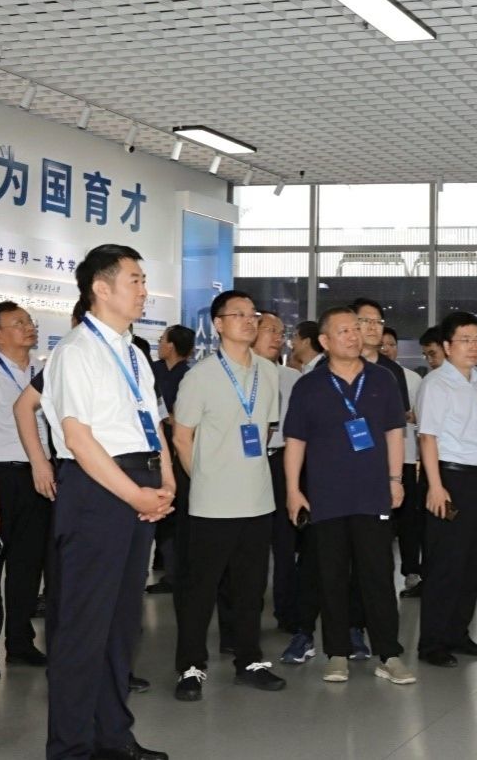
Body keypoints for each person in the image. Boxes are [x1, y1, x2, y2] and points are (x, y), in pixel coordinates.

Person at [42, 244, 175, 760]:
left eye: (144, 280)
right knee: (84, 628)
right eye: (135, 280)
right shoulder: (76, 351)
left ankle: (113, 737)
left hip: (139, 483)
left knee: (121, 625)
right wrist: (135, 492)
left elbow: (152, 423)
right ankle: (71, 748)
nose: (144, 290)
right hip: (98, 489)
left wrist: (165, 482)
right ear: (101, 287)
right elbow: (79, 439)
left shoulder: (134, 353)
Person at [284, 306, 414, 685]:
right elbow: (295, 441)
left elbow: (395, 433)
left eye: (357, 328)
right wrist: (293, 491)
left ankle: (389, 654)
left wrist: (395, 479)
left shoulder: (382, 379)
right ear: (325, 341)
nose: (354, 335)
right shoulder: (308, 385)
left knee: (378, 576)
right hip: (326, 496)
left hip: (373, 494)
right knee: (332, 576)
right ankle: (337, 653)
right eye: (344, 330)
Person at [172, 290, 284, 701]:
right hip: (212, 504)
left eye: (253, 314)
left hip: (257, 499)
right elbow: (181, 437)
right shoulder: (199, 376)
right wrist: (204, 478)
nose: (249, 320)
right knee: (200, 590)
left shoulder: (268, 372)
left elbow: (264, 429)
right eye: (238, 314)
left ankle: (249, 660)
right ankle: (190, 666)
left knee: (251, 589)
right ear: (218, 324)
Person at [416, 311, 477, 668]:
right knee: (444, 563)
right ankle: (432, 642)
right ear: (447, 346)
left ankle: (458, 633)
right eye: (464, 340)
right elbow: (427, 437)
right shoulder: (436, 384)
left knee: (470, 562)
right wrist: (435, 486)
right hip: (447, 477)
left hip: (474, 476)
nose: (473, 347)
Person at [0, 300, 50, 668]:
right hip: (2, 476)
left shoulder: (44, 371)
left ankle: (20, 642)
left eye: (28, 321)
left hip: (42, 474)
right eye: (18, 323)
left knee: (29, 563)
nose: (28, 326)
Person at [258, 311, 304, 633]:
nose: (277, 337)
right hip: (247, 464)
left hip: (283, 461)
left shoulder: (293, 379)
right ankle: (243, 616)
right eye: (270, 330)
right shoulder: (241, 375)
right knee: (250, 544)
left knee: (285, 543)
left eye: (281, 332)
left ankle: (287, 611)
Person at [147, 324, 194, 589]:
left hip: (177, 451)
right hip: (152, 447)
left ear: (171, 346)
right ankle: (165, 565)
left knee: (173, 514)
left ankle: (175, 573)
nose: (159, 344)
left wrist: (173, 421)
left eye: (162, 340)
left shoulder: (188, 376)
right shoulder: (152, 370)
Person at [383, 326, 425, 597]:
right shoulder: (370, 376)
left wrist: (409, 416)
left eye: (391, 344)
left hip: (407, 459)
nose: (387, 348)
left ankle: (411, 571)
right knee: (383, 523)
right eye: (383, 344)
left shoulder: (411, 378)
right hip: (380, 463)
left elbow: (423, 417)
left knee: (409, 520)